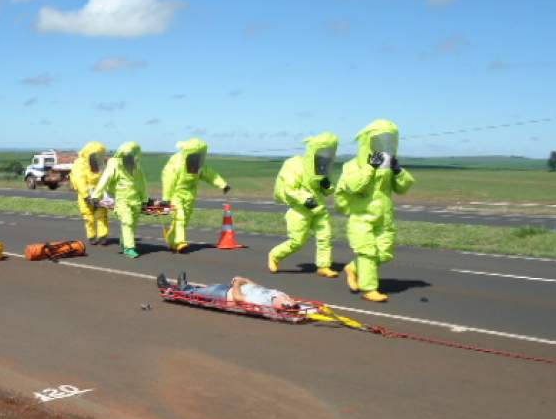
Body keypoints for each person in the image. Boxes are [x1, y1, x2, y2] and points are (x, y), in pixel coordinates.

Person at [334, 119, 415, 302]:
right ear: (368, 142)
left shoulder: (387, 168)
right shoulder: (352, 166)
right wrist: (370, 166)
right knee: (367, 253)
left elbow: (402, 188)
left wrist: (398, 171)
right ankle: (369, 289)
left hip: (384, 217)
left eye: (388, 141)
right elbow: (354, 186)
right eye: (379, 141)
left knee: (385, 253)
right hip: (361, 217)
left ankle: (353, 268)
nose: (384, 145)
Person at [268, 132, 340, 278]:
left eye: (329, 152)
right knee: (297, 241)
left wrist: (327, 186)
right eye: (323, 151)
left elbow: (327, 190)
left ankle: (324, 266)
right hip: (300, 210)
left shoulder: (322, 167)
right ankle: (275, 255)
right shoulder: (296, 166)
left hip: (319, 208)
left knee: (325, 237)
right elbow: (290, 189)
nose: (326, 155)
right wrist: (306, 199)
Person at [161, 138, 230, 252]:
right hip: (176, 194)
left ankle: (172, 240)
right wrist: (166, 199)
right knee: (180, 216)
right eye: (196, 156)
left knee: (184, 220)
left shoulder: (198, 166)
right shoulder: (177, 164)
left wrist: (223, 184)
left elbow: (210, 175)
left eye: (200, 157)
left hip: (190, 195)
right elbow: (168, 181)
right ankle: (180, 242)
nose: (198, 159)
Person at [89, 141, 149, 258]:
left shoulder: (136, 166)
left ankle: (125, 242)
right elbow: (105, 179)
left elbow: (142, 183)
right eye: (128, 154)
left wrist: (144, 199)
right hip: (122, 199)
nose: (130, 157)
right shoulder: (115, 164)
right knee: (127, 221)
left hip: (135, 200)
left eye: (132, 154)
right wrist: (95, 195)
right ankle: (129, 248)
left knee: (133, 223)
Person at [157, 272, 297, 310]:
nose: (288, 298)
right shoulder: (276, 295)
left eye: (288, 301)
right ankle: (185, 288)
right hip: (229, 289)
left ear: (280, 305)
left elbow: (238, 298)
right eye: (289, 299)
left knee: (199, 293)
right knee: (203, 290)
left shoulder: (262, 302)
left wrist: (237, 283)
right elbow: (258, 287)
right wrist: (244, 280)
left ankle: (169, 289)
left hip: (225, 295)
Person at [70, 141, 110, 245]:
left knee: (102, 215)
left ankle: (103, 236)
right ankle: (91, 236)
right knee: (88, 216)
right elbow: (79, 180)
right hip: (86, 195)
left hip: (99, 193)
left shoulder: (101, 163)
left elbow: (105, 177)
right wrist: (86, 196)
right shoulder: (80, 163)